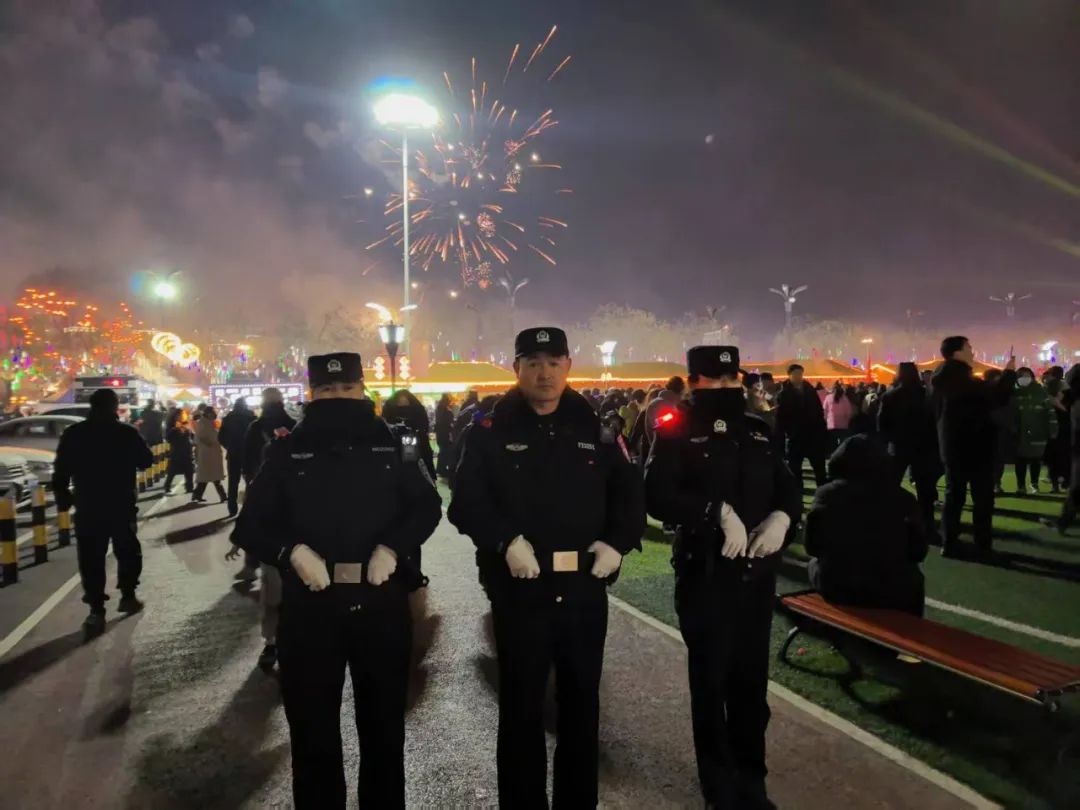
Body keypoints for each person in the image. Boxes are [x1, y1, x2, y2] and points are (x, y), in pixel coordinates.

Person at [233, 352, 441, 808]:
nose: (338, 397)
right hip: (311, 609)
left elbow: (427, 506)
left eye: (346, 388)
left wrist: (393, 547)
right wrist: (291, 551)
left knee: (384, 734)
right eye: (327, 390)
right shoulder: (285, 450)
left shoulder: (399, 443)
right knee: (313, 740)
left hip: (381, 603)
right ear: (312, 393)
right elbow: (250, 526)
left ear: (362, 388)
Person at [449, 327, 644, 809]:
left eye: (554, 362)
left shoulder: (597, 429)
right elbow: (466, 502)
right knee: (521, 709)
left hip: (583, 588)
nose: (544, 373)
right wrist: (504, 541)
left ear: (568, 366)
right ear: (516, 368)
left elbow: (629, 495)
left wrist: (618, 543)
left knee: (581, 709)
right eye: (533, 362)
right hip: (521, 591)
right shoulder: (489, 430)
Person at [645, 345, 800, 810]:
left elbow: (787, 489)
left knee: (751, 688)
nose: (726, 388)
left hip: (755, 578)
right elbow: (656, 495)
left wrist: (783, 519)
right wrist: (714, 512)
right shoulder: (676, 430)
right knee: (712, 687)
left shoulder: (758, 429)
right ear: (694, 382)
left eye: (732, 380)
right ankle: (719, 790)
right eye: (715, 381)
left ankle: (752, 783)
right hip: (705, 575)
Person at [53, 388, 153, 637]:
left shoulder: (74, 434)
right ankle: (128, 596)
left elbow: (61, 470)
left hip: (89, 505)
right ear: (114, 406)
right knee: (128, 551)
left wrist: (63, 499)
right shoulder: (126, 433)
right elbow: (146, 461)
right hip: (120, 503)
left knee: (91, 557)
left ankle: (96, 609)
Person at [805, 434, 928, 616]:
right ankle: (913, 625)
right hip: (894, 591)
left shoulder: (826, 495)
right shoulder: (904, 499)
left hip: (838, 587)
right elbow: (918, 551)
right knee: (914, 577)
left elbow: (812, 546)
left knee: (815, 565)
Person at [931, 337, 1016, 557]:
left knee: (954, 496)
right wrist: (1008, 374)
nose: (972, 351)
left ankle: (949, 541)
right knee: (982, 498)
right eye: (968, 347)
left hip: (952, 446)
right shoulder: (958, 378)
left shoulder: (942, 378)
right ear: (957, 352)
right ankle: (981, 544)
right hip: (974, 447)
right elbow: (995, 396)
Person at [231, 387, 298, 668]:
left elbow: (246, 462)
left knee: (273, 587)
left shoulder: (256, 428)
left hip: (269, 523)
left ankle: (272, 642)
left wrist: (240, 537)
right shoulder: (297, 427)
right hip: (296, 522)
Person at [877, 362, 940, 538]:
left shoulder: (890, 396)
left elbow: (882, 423)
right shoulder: (926, 395)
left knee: (891, 485)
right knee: (925, 490)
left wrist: (888, 441)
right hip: (923, 446)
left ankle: (889, 522)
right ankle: (927, 526)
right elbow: (933, 420)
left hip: (899, 445)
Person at [776, 363, 828, 488]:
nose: (798, 376)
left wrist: (821, 430)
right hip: (795, 436)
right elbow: (781, 416)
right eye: (796, 374)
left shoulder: (810, 390)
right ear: (789, 375)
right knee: (794, 468)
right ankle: (797, 492)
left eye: (800, 374)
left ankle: (823, 491)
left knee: (819, 467)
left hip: (813, 435)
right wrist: (786, 432)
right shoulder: (783, 393)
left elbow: (819, 411)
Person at [1010, 367, 1057, 494]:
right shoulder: (1013, 392)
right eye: (1022, 376)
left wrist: (1052, 430)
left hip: (1038, 433)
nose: (1025, 378)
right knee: (1020, 460)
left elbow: (1050, 413)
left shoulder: (1040, 392)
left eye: (1027, 376)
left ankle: (1034, 484)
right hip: (1019, 434)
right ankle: (1021, 486)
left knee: (1036, 460)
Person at [382, 389, 435, 479]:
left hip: (416, 451)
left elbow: (423, 428)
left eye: (405, 402)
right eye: (400, 403)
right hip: (398, 452)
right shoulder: (390, 412)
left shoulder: (418, 411)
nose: (403, 405)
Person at [218, 397, 257, 516]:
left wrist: (229, 446)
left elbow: (221, 437)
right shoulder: (252, 418)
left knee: (233, 482)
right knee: (251, 481)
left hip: (233, 453)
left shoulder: (228, 419)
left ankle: (232, 508)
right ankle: (250, 508)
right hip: (249, 454)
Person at [192, 407, 228, 503]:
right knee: (211, 476)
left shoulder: (209, 422)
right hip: (206, 453)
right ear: (208, 413)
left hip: (212, 452)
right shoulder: (202, 423)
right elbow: (199, 437)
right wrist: (208, 442)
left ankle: (197, 495)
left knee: (208, 476)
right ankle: (223, 496)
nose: (213, 415)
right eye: (212, 413)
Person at [1043, 366, 1070, 492]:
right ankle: (1062, 483)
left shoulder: (1051, 389)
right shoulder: (1067, 389)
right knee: (1061, 456)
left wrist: (1055, 402)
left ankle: (1056, 484)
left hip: (1055, 427)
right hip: (1062, 427)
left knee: (1054, 457)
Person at [164, 408, 195, 494]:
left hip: (187, 451)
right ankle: (167, 486)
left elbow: (192, 435)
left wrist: (192, 439)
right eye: (179, 415)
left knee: (189, 470)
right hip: (176, 451)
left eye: (182, 415)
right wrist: (175, 429)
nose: (181, 417)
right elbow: (168, 438)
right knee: (172, 471)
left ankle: (189, 487)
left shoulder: (186, 424)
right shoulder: (171, 426)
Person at [823, 382, 855, 449]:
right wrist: (848, 419)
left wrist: (825, 419)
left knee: (832, 443)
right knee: (843, 444)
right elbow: (849, 411)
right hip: (843, 425)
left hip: (831, 424)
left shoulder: (828, 397)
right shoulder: (845, 398)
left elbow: (825, 410)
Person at [434, 393, 455, 478]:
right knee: (445, 452)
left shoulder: (439, 409)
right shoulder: (445, 410)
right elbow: (448, 421)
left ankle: (440, 469)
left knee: (443, 451)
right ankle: (442, 470)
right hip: (444, 434)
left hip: (440, 434)